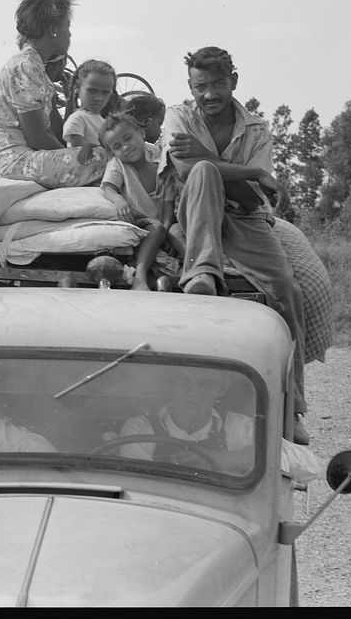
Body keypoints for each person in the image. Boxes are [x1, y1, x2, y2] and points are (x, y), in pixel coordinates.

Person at [161, 46, 311, 445]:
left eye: (218, 85)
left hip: (244, 219)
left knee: (288, 292)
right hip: (194, 210)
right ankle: (202, 271)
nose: (209, 94)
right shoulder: (178, 116)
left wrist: (211, 162)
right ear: (190, 86)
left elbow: (250, 200)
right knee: (205, 172)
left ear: (234, 82)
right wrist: (253, 172)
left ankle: (292, 407)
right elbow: (186, 170)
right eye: (201, 86)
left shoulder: (256, 130)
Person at [0, 0, 108, 188]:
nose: (70, 33)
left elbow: (54, 134)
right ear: (53, 29)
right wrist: (71, 157)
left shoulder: (37, 70)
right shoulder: (25, 66)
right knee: (105, 157)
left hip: (23, 158)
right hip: (13, 161)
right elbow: (37, 138)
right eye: (68, 26)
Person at [118, 370, 320, 483]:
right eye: (184, 382)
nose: (193, 393)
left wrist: (221, 460)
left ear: (221, 390)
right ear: (172, 384)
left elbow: (309, 467)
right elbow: (139, 490)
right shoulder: (140, 430)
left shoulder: (238, 427)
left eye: (204, 384)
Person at [98, 113, 184, 291]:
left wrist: (166, 235)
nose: (126, 147)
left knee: (177, 234)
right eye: (117, 146)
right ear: (112, 153)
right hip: (140, 224)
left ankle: (195, 272)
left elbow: (168, 212)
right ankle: (140, 276)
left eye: (128, 138)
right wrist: (119, 199)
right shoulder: (118, 165)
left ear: (141, 134)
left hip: (163, 227)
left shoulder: (163, 168)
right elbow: (108, 188)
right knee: (157, 229)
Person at [62, 59, 118, 165]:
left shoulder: (103, 121)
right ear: (77, 88)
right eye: (92, 91)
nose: (98, 98)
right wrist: (87, 145)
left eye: (105, 93)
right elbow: (77, 144)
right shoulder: (78, 118)